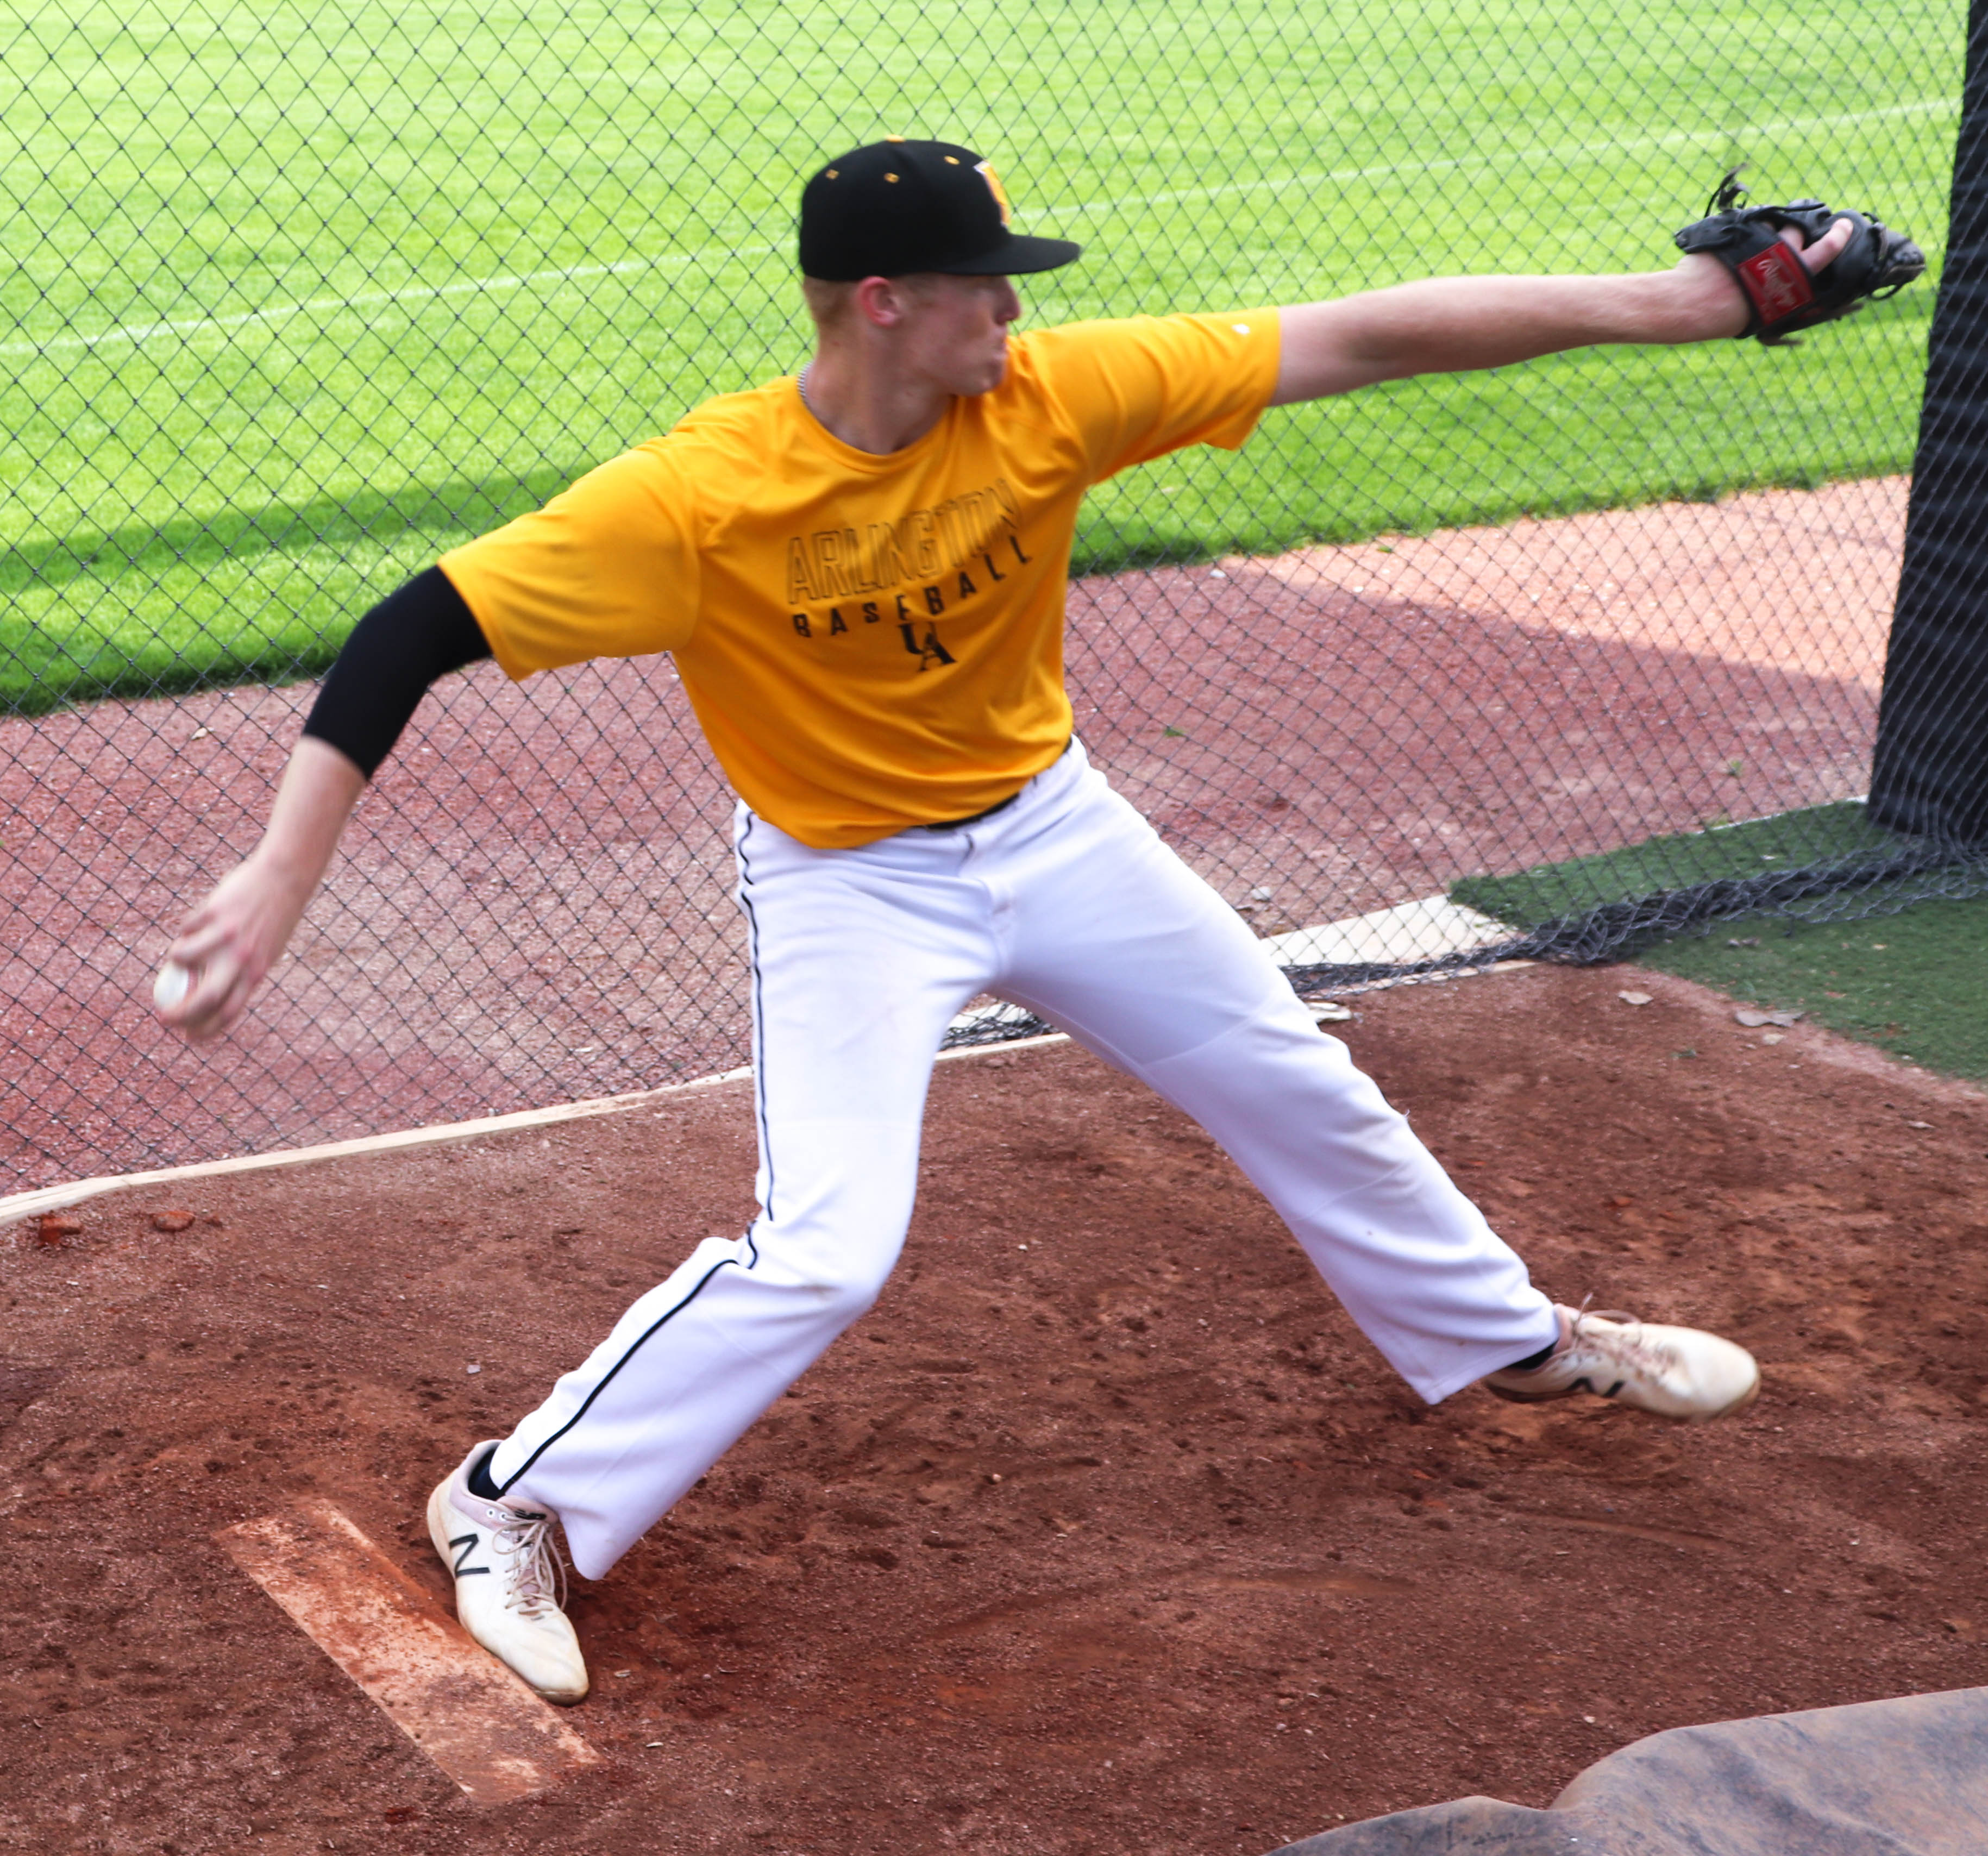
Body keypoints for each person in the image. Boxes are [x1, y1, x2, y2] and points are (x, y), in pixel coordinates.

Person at [162, 139, 1835, 1704]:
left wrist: (1686, 302)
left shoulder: (1046, 397)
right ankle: (510, 1501)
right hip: (850, 882)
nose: (1015, 313)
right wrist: (280, 876)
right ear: (883, 304)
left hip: (1057, 830)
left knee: (1289, 1075)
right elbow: (410, 632)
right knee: (829, 1248)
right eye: (986, 285)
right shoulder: (698, 499)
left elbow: (1364, 334)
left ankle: (1511, 1343)